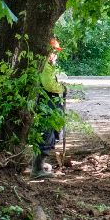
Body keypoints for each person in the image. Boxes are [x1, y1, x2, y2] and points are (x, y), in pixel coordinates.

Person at [33, 38, 68, 178]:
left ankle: (39, 165)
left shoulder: (46, 65)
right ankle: (36, 170)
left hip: (47, 105)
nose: (55, 55)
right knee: (46, 135)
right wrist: (62, 88)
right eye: (54, 52)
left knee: (49, 135)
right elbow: (49, 86)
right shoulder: (45, 67)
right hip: (46, 107)